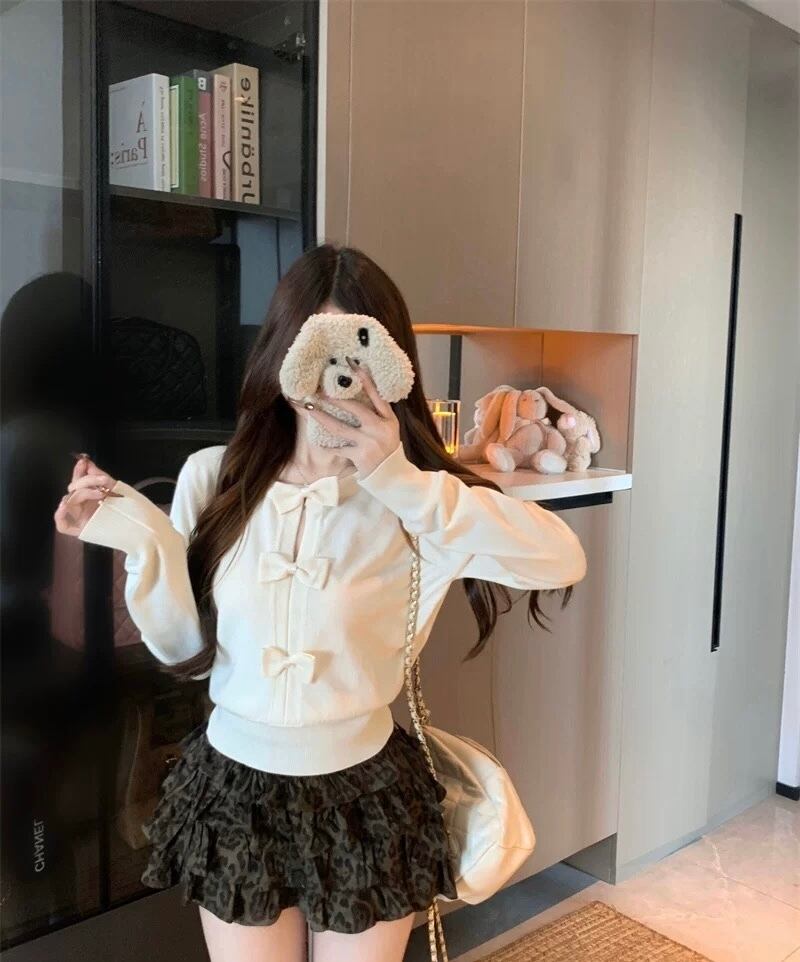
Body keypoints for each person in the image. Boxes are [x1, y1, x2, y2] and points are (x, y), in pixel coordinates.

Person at [53, 243, 587, 962]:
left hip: (367, 795)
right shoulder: (216, 477)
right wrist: (139, 536)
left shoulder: (419, 498)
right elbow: (185, 653)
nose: (340, 377)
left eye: (360, 352)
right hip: (234, 791)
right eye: (319, 349)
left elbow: (561, 557)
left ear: (393, 366)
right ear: (282, 353)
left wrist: (399, 480)